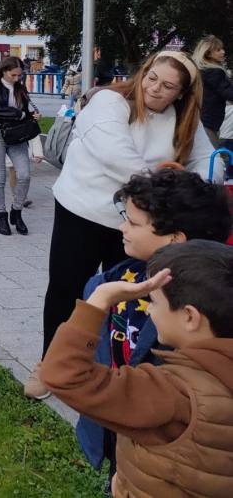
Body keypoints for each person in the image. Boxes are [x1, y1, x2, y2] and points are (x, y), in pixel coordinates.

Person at [28, 50, 215, 400]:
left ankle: (114, 362)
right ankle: (50, 363)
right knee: (67, 288)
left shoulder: (184, 119)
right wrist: (163, 187)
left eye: (168, 86)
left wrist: (194, 185)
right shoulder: (110, 102)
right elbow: (114, 153)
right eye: (152, 78)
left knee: (129, 295)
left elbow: (208, 161)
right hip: (83, 211)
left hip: (137, 224)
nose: (155, 88)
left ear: (182, 93)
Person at [74, 168, 232, 487]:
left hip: (165, 456)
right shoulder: (116, 280)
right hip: (117, 432)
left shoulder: (200, 312)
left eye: (133, 223)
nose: (122, 227)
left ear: (175, 240)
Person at [40, 241, 233, 498]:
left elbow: (64, 375)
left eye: (154, 302)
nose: (150, 310)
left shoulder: (174, 391)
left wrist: (100, 298)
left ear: (190, 317)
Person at [0, 57, 42, 237]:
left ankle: (17, 211)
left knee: (24, 175)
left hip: (16, 135)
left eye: (19, 75)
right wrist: (17, 114)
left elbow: (26, 110)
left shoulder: (20, 87)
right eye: (13, 75)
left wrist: (32, 115)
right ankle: (2, 216)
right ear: (4, 71)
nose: (17, 78)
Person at [193, 35, 233, 152]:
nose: (223, 52)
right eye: (218, 50)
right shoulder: (214, 72)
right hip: (208, 121)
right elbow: (228, 93)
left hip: (202, 119)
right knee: (212, 155)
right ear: (208, 54)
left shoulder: (202, 71)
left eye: (222, 49)